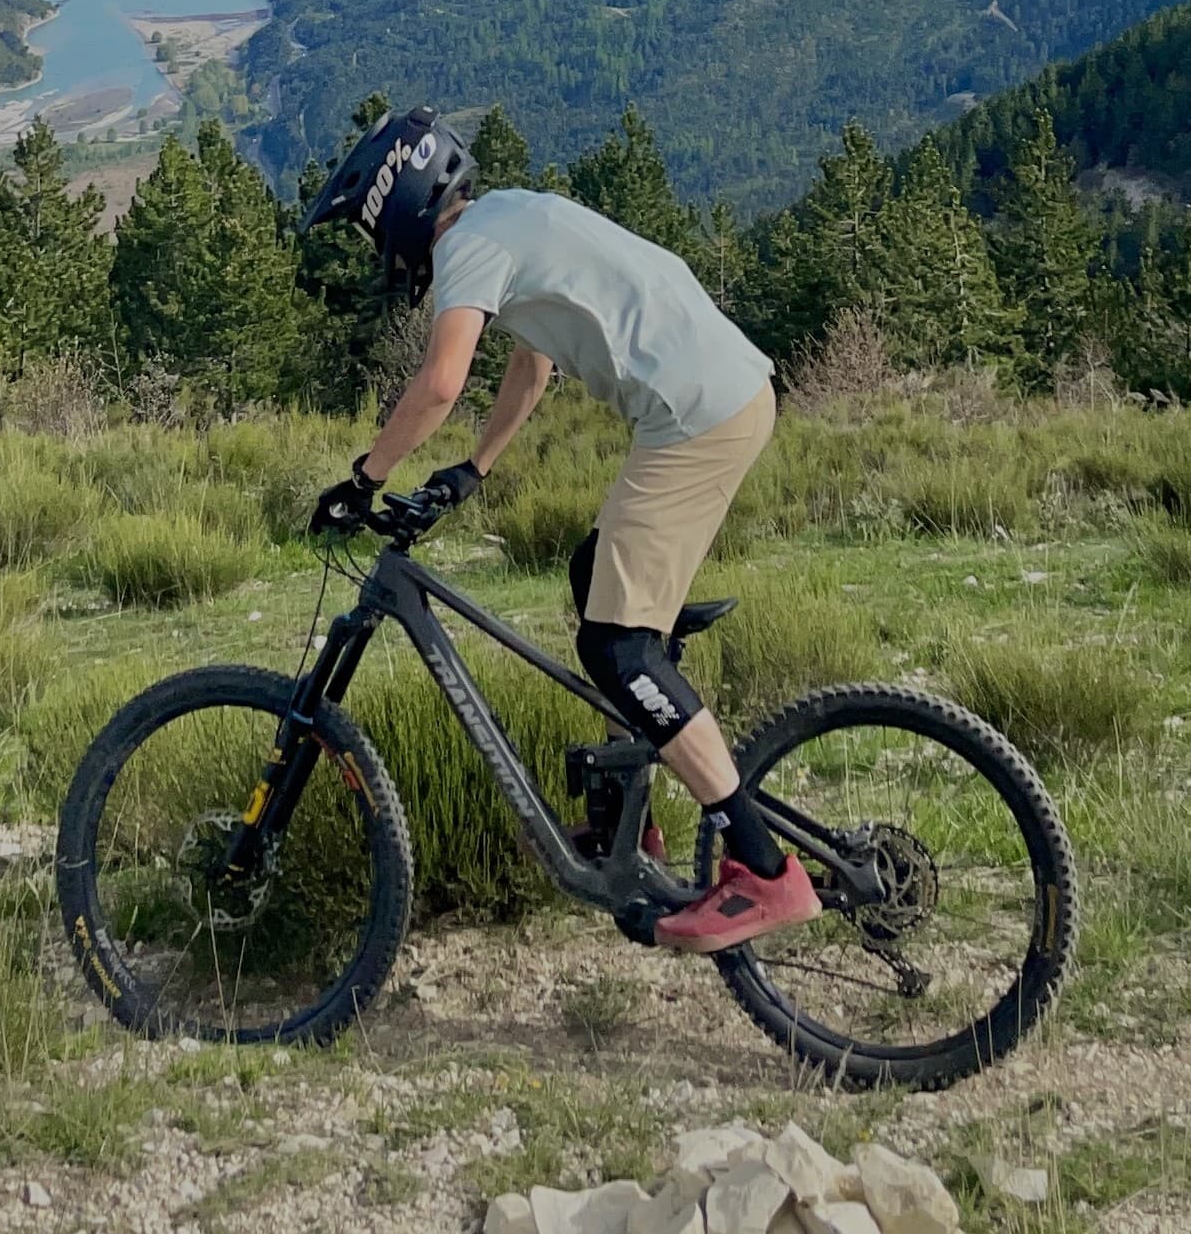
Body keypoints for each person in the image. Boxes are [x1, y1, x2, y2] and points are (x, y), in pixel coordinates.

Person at [300, 107, 813, 953]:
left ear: (401, 206)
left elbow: (438, 382)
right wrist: (474, 468)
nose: (378, 251)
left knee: (620, 647)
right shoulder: (508, 218)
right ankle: (628, 825)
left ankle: (761, 868)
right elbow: (531, 362)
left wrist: (365, 479)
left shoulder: (467, 247)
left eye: (372, 231)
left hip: (698, 417)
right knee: (592, 577)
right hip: (713, 401)